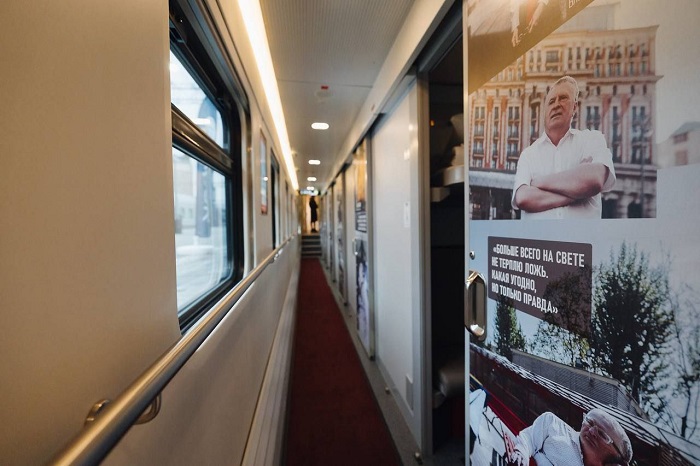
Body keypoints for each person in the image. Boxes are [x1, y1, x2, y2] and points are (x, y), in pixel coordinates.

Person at [512, 76, 616, 219]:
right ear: (545, 111)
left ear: (574, 107)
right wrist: (579, 191)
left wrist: (537, 183)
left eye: (563, 98)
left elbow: (595, 180)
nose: (556, 105)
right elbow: (523, 198)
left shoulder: (592, 139)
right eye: (551, 101)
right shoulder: (528, 154)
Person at [505, 409, 633, 466]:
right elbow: (528, 438)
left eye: (602, 435)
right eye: (590, 422)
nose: (592, 431)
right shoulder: (553, 425)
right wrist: (521, 453)